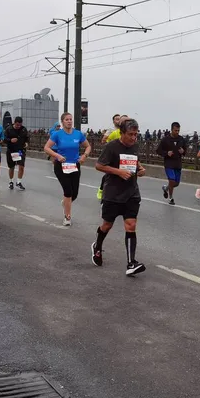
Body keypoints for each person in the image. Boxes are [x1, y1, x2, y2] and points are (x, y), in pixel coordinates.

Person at [91, 118, 147, 276]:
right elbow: (99, 165)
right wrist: (119, 172)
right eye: (130, 134)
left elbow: (136, 163)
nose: (134, 138)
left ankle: (131, 263)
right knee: (107, 225)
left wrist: (141, 169)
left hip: (132, 192)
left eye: (136, 134)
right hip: (113, 193)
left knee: (131, 225)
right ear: (122, 133)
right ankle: (97, 246)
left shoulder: (135, 146)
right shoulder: (112, 146)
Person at [43, 113, 91, 226]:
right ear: (62, 122)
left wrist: (84, 156)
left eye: (70, 119)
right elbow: (46, 147)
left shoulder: (78, 134)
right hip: (61, 166)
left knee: (75, 193)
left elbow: (88, 146)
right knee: (68, 191)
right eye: (66, 120)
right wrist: (57, 156)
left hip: (74, 165)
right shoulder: (57, 134)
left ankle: (65, 202)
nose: (69, 121)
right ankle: (67, 216)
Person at [157, 122, 186, 205]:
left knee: (176, 183)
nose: (177, 132)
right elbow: (158, 150)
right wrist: (166, 153)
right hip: (169, 163)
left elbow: (185, 150)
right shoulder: (165, 139)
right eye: (175, 130)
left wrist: (183, 151)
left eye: (178, 130)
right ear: (171, 129)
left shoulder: (181, 139)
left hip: (178, 163)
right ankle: (171, 198)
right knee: (172, 180)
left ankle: (166, 188)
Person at [97, 114, 121, 200]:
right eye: (116, 119)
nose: (118, 120)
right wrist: (110, 145)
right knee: (109, 173)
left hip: (121, 155)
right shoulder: (111, 130)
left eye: (119, 119)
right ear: (113, 121)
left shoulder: (124, 130)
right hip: (112, 154)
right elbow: (104, 140)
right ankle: (101, 189)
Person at [5, 116, 29, 191]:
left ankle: (19, 182)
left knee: (21, 166)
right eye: (17, 125)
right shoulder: (9, 129)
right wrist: (10, 140)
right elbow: (4, 139)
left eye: (20, 125)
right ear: (14, 123)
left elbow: (27, 138)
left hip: (20, 151)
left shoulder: (24, 129)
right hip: (11, 150)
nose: (18, 126)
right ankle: (11, 181)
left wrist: (27, 143)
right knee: (11, 167)